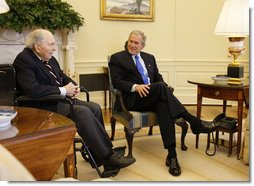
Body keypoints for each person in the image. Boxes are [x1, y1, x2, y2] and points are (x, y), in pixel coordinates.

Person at [13, 29, 135, 174]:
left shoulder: (49, 58)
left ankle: (100, 156)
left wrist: (73, 86)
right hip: (41, 107)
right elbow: (32, 89)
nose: (54, 48)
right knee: (82, 112)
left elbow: (61, 76)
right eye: (51, 44)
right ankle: (108, 156)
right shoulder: (24, 59)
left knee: (95, 107)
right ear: (37, 46)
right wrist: (64, 91)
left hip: (58, 101)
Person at [109, 30, 221, 176]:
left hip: (152, 97)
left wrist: (162, 87)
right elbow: (117, 82)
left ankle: (172, 156)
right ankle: (194, 122)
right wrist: (136, 87)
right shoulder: (117, 58)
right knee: (162, 88)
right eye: (130, 41)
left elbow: (158, 77)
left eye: (136, 43)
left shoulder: (150, 58)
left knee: (163, 105)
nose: (132, 45)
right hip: (133, 99)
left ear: (142, 45)